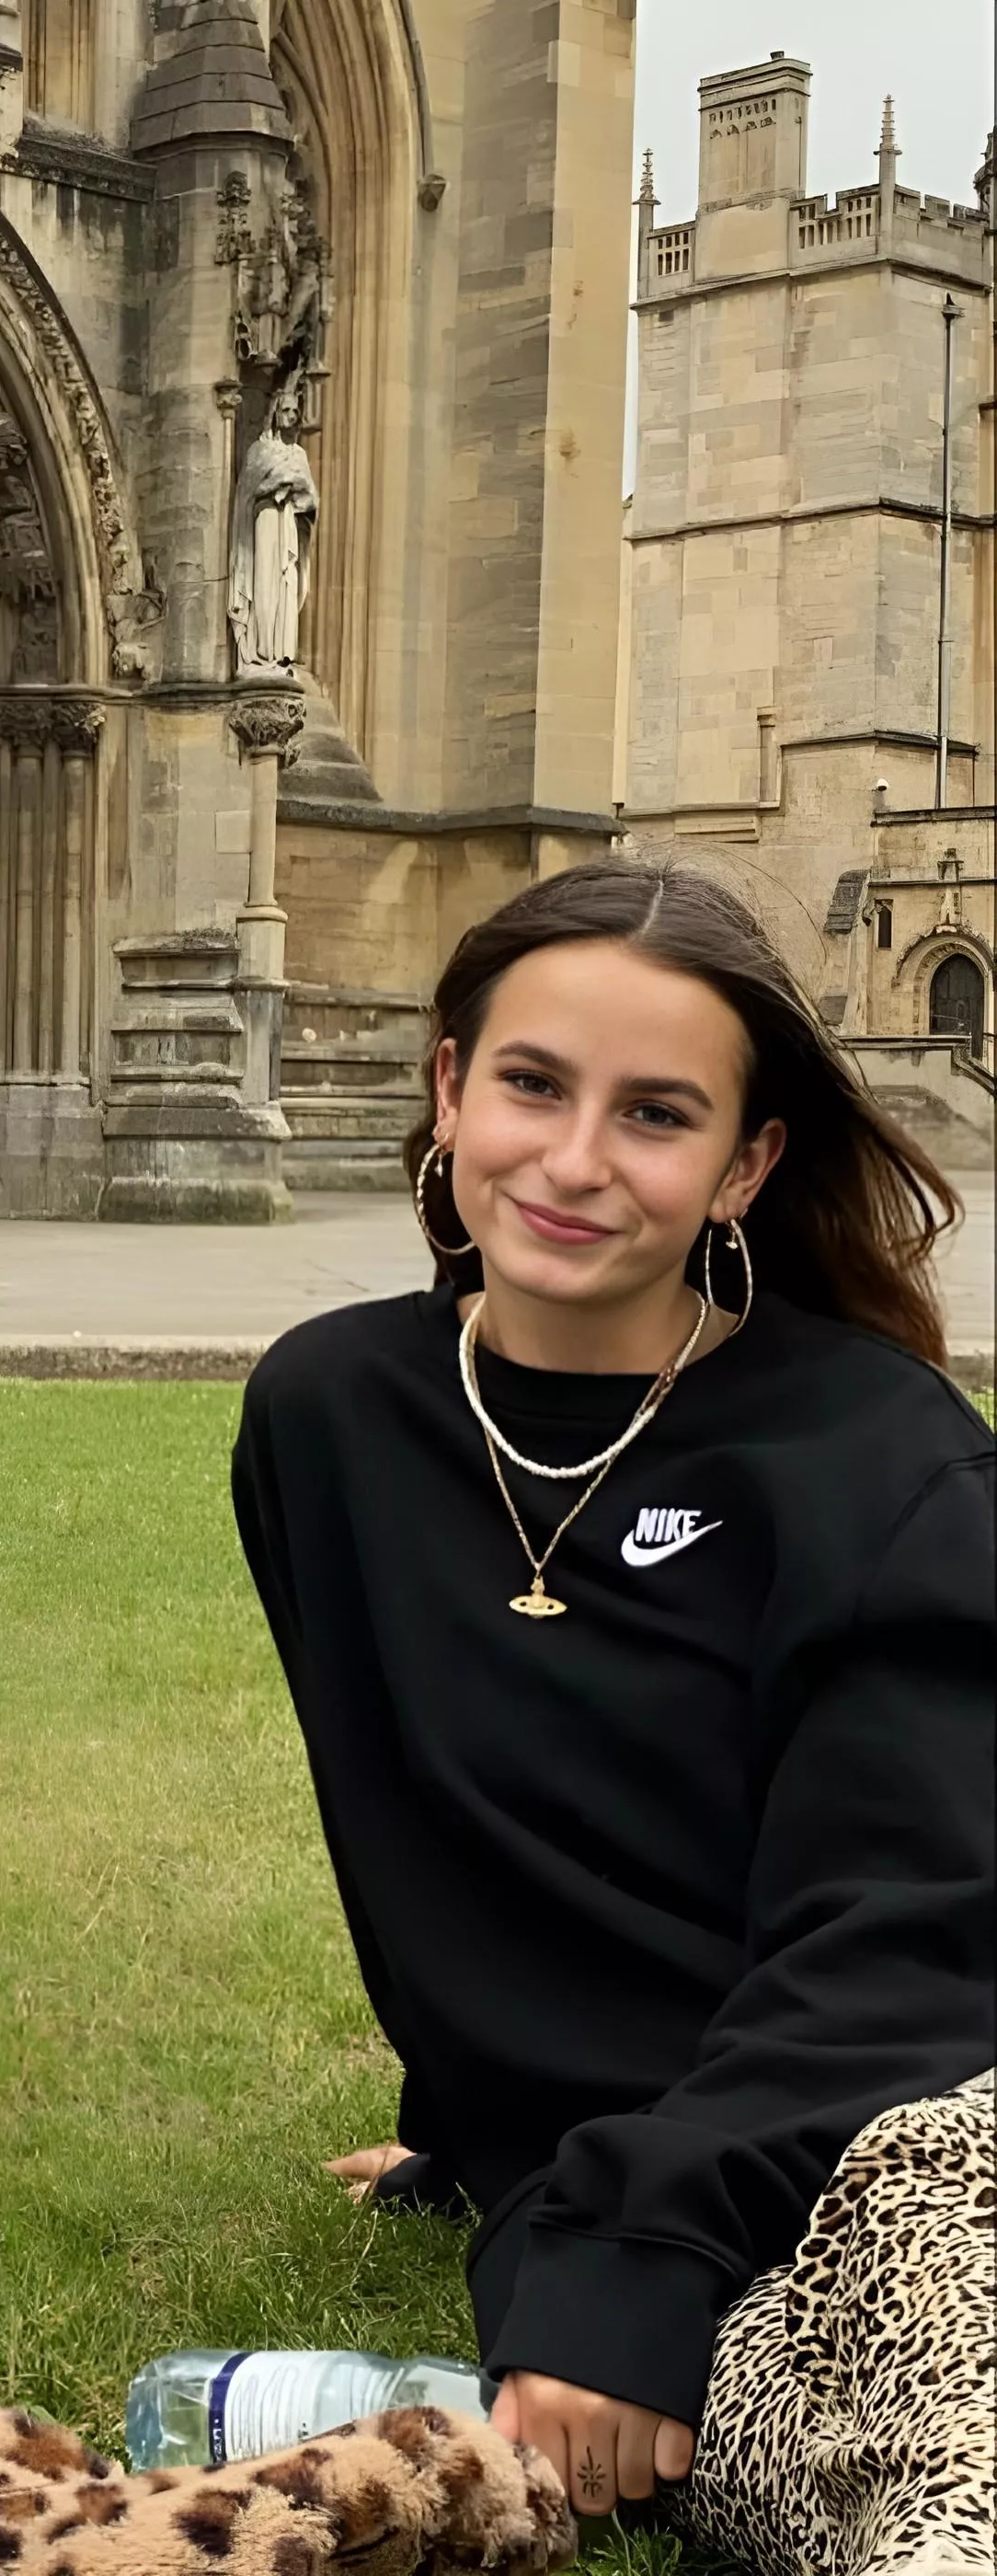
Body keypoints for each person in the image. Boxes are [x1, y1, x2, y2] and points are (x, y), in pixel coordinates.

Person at [232, 864, 993, 2574]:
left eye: (656, 1114)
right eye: (530, 1084)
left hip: (909, 2136)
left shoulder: (882, 1462)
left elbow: (907, 1938)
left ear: (747, 1163)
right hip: (625, 2183)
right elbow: (447, 1831)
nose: (574, 1163)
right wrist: (490, 2108)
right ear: (447, 1089)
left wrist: (644, 2225)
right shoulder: (330, 1416)